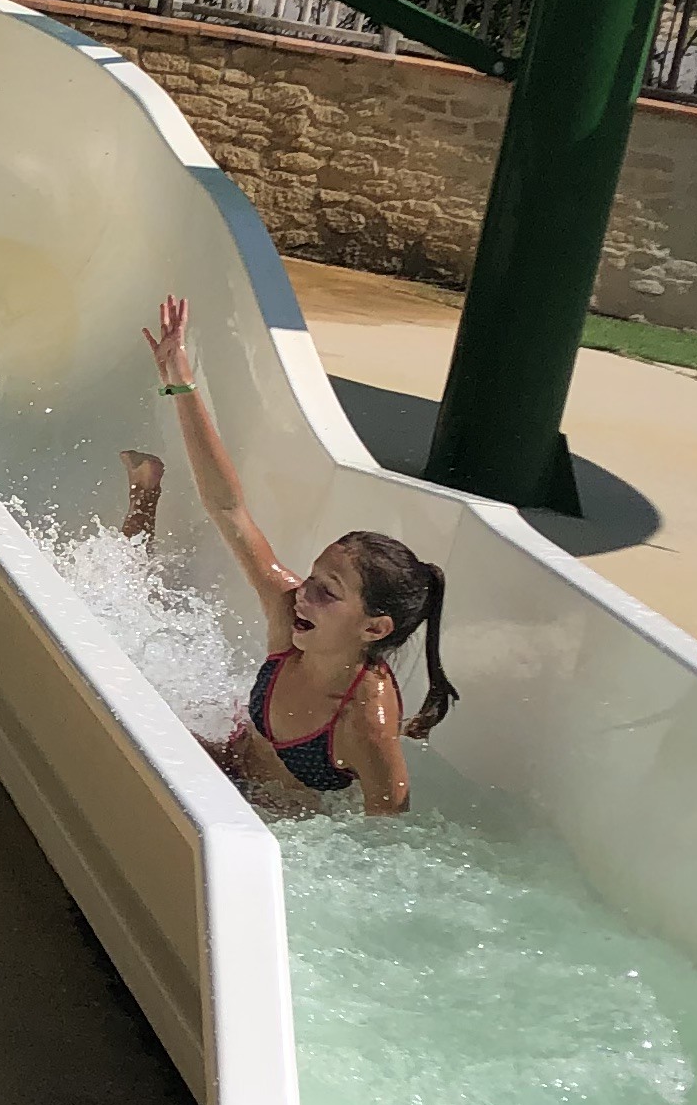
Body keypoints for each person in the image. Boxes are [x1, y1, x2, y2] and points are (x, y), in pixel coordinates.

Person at [121, 291, 452, 817]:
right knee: (115, 683)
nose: (303, 593)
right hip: (226, 766)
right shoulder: (289, 612)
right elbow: (229, 509)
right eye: (313, 577)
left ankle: (146, 490)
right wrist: (181, 381)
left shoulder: (365, 721)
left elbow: (389, 835)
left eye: (328, 592)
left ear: (373, 628)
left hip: (271, 819)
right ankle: (146, 494)